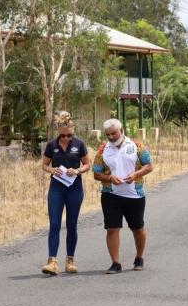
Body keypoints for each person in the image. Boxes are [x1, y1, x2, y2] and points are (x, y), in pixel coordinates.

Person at [93, 119, 153, 274]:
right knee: (112, 229)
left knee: (137, 228)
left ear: (122, 129)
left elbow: (149, 165)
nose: (111, 137)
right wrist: (110, 178)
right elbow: (96, 173)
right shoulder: (102, 150)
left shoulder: (136, 145)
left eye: (114, 133)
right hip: (111, 195)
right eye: (108, 134)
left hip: (135, 194)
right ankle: (115, 263)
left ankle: (139, 258)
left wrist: (136, 174)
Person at [40, 111, 90, 275]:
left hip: (74, 189)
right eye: (63, 136)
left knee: (71, 225)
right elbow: (44, 165)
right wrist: (52, 169)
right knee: (54, 224)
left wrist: (77, 171)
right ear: (58, 133)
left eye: (70, 135)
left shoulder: (79, 144)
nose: (67, 138)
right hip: (56, 189)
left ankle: (70, 260)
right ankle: (52, 261)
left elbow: (87, 165)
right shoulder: (51, 145)